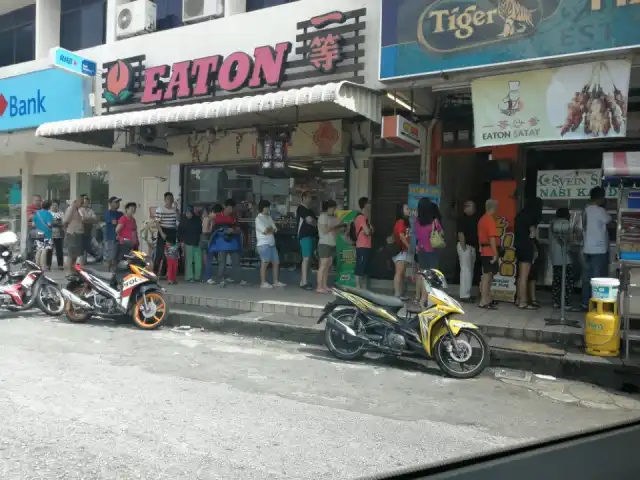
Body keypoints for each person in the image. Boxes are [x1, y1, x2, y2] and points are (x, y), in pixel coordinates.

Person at [581, 186, 614, 310]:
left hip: (586, 249)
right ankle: (596, 305)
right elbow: (610, 222)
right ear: (601, 198)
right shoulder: (600, 211)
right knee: (598, 279)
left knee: (586, 278)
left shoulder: (585, 209)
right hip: (599, 250)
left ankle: (585, 303)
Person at [514, 197, 543, 310]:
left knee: (520, 275)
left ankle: (518, 299)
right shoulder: (531, 218)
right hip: (527, 245)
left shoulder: (520, 216)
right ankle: (523, 302)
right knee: (524, 276)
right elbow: (532, 235)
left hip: (519, 245)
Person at [414, 198, 444, 303]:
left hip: (421, 250)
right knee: (432, 274)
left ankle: (423, 298)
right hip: (432, 250)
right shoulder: (434, 221)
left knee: (423, 275)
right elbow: (441, 233)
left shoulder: (417, 221)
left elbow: (418, 235)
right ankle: (430, 299)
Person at [212, 199, 246, 287]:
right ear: (225, 207)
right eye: (229, 208)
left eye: (232, 208)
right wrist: (226, 230)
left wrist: (235, 230)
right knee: (222, 261)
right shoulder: (218, 216)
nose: (231, 210)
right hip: (221, 242)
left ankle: (238, 279)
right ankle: (221, 279)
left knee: (236, 260)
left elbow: (237, 228)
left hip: (233, 241)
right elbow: (215, 230)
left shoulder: (234, 216)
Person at [255, 199, 286, 289]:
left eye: (268, 207)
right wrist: (270, 229)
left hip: (272, 243)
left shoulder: (269, 217)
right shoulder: (258, 218)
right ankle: (263, 282)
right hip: (263, 244)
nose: (268, 209)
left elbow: (275, 229)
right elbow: (265, 231)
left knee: (276, 262)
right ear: (262, 208)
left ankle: (275, 281)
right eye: (266, 207)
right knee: (265, 262)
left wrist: (270, 229)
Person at [550, 207, 576, 310]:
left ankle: (556, 302)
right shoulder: (568, 224)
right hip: (566, 258)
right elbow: (570, 240)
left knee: (556, 281)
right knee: (567, 282)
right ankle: (566, 303)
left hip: (555, 258)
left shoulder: (552, 224)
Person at [478, 199, 500, 309]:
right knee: (487, 276)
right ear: (494, 208)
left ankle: (487, 298)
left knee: (487, 275)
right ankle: (484, 300)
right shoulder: (489, 220)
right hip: (489, 251)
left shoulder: (482, 219)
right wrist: (496, 253)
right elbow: (492, 238)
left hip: (484, 250)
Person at [316, 200, 342, 294]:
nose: (334, 210)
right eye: (333, 208)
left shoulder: (330, 217)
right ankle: (319, 286)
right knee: (323, 265)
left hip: (331, 243)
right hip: (324, 243)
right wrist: (334, 227)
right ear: (329, 208)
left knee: (327, 266)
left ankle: (324, 285)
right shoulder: (323, 216)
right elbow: (324, 230)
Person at [456, 200, 478, 302]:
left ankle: (468, 293)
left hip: (472, 247)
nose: (474, 209)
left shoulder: (473, 218)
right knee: (466, 271)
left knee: (470, 271)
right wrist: (464, 247)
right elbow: (461, 233)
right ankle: (464, 295)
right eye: (472, 207)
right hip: (465, 246)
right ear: (466, 208)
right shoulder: (461, 218)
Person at [154, 192, 179, 275]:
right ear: (165, 200)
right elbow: (157, 223)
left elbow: (178, 220)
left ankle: (165, 273)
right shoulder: (160, 209)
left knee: (171, 253)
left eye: (172, 199)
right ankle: (155, 272)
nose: (171, 200)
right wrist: (161, 233)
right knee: (160, 253)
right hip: (163, 230)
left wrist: (177, 209)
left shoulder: (174, 209)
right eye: (169, 199)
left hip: (172, 231)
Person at [296, 191, 317, 290]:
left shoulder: (311, 210)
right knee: (306, 258)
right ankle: (304, 282)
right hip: (304, 236)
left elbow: (315, 222)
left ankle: (303, 280)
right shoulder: (301, 208)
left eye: (311, 197)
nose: (310, 199)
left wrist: (313, 222)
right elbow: (310, 220)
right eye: (308, 197)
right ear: (303, 198)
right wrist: (313, 222)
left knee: (308, 259)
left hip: (311, 236)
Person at [179, 206, 203, 283]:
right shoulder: (183, 220)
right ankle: (189, 277)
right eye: (187, 213)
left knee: (198, 261)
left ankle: (197, 276)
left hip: (196, 242)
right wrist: (182, 241)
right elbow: (180, 232)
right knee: (189, 260)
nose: (189, 215)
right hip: (187, 242)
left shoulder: (197, 219)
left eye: (190, 213)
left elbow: (200, 230)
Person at [392, 203, 411, 298]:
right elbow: (401, 235)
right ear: (401, 211)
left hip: (404, 251)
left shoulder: (406, 222)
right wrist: (409, 246)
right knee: (399, 273)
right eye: (407, 209)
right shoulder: (400, 222)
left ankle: (401, 293)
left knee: (402, 273)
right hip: (400, 251)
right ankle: (397, 294)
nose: (409, 210)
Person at [354, 197, 373, 289]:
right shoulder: (361, 217)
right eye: (368, 204)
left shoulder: (366, 218)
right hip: (362, 245)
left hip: (367, 245)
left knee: (365, 267)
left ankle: (364, 288)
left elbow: (370, 230)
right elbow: (368, 231)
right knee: (360, 266)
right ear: (364, 205)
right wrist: (370, 230)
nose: (370, 206)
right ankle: (358, 287)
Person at [63, 196, 85, 274]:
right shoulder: (71, 209)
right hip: (72, 233)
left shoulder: (78, 210)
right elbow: (65, 221)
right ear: (75, 202)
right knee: (71, 254)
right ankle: (69, 271)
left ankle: (72, 269)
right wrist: (67, 232)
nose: (82, 203)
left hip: (78, 234)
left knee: (75, 254)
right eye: (81, 202)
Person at [103, 197, 123, 271]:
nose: (118, 204)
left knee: (117, 258)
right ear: (110, 203)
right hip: (110, 238)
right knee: (110, 257)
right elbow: (114, 222)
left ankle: (114, 274)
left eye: (118, 202)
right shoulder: (107, 213)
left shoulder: (120, 213)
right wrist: (121, 222)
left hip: (119, 238)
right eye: (116, 202)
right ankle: (107, 273)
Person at [78, 195, 99, 265]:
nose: (86, 201)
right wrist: (90, 220)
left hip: (89, 231)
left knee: (87, 246)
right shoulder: (79, 209)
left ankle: (84, 261)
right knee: (82, 247)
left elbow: (95, 220)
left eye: (87, 199)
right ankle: (81, 263)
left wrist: (87, 220)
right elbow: (82, 220)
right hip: (81, 231)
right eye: (85, 199)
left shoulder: (90, 210)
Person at [33, 200, 53, 270]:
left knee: (39, 249)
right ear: (49, 206)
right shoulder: (48, 214)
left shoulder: (37, 213)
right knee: (45, 250)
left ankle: (37, 265)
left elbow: (33, 224)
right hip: (47, 234)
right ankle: (43, 265)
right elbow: (49, 224)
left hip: (38, 233)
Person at [48, 200, 65, 270]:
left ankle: (60, 265)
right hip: (49, 233)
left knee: (59, 250)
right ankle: (48, 265)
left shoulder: (61, 213)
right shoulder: (48, 213)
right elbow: (47, 223)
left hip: (59, 233)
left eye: (56, 205)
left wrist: (57, 223)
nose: (54, 206)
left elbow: (63, 222)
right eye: (53, 205)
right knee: (49, 249)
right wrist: (54, 222)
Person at [26, 194, 42, 259]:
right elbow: (30, 216)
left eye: (39, 200)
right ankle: (28, 260)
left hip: (41, 229)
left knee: (40, 246)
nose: (38, 202)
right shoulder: (30, 207)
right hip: (32, 228)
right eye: (36, 200)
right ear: (33, 201)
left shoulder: (42, 207)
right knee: (29, 245)